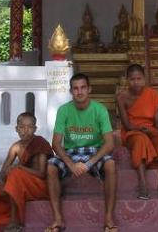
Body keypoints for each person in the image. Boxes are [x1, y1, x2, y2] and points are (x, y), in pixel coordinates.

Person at [45, 73, 117, 232]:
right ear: (71, 91)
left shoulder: (100, 110)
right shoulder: (64, 110)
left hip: (94, 151)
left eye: (83, 87)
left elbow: (110, 143)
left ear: (89, 89)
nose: (79, 92)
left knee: (110, 164)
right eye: (75, 88)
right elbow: (56, 144)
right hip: (71, 152)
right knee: (51, 167)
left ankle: (109, 218)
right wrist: (70, 165)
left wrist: (89, 163)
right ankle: (58, 219)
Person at [0, 112, 53, 232]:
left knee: (15, 173)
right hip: (18, 184)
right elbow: (2, 172)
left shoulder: (40, 143)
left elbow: (42, 174)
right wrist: (2, 184)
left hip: (39, 187)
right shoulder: (16, 147)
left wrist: (20, 168)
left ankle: (14, 221)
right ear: (16, 129)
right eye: (22, 127)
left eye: (30, 127)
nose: (25, 130)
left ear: (35, 129)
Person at [117, 64, 158, 200]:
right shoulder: (122, 97)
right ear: (127, 80)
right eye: (132, 79)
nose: (136, 82)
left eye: (139, 79)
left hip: (149, 129)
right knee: (140, 140)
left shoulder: (152, 94)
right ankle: (143, 184)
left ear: (144, 79)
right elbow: (127, 124)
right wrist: (141, 129)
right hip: (132, 132)